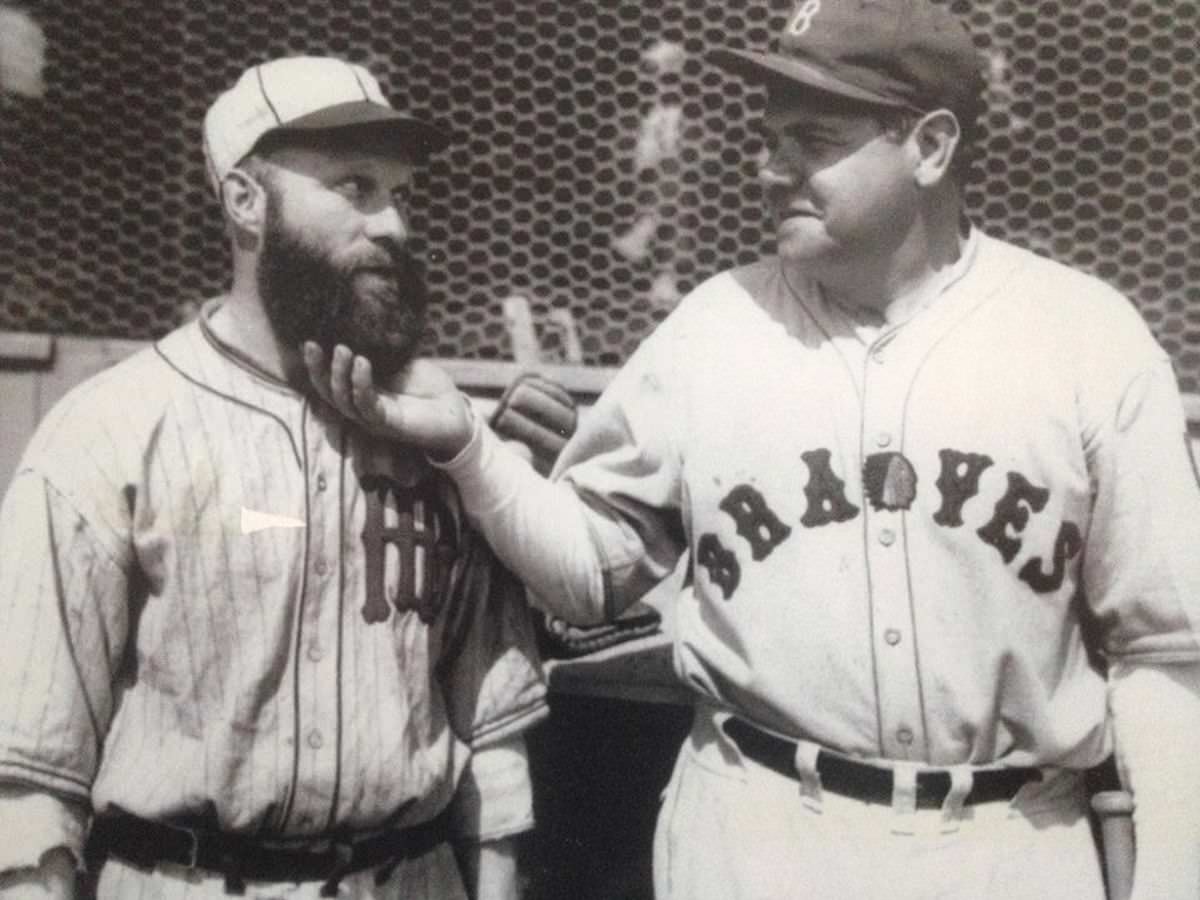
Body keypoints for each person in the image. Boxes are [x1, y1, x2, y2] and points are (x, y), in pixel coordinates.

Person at [302, 2, 1200, 898]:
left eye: (813, 139)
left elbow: (1166, 655)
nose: (770, 169)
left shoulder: (1084, 340)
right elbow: (591, 574)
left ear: (930, 147)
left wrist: (1173, 880)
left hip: (1011, 842)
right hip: (760, 827)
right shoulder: (714, 329)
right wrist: (468, 449)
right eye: (770, 137)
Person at [0, 55, 557, 900]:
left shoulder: (434, 429)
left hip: (409, 876)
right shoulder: (110, 430)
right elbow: (31, 777)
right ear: (244, 200)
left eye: (399, 191)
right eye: (356, 186)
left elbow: (495, 748)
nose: (395, 224)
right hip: (183, 877)